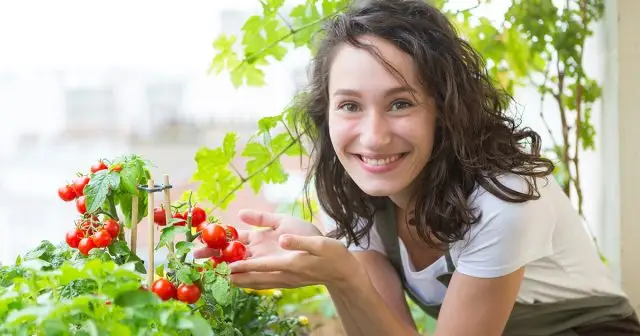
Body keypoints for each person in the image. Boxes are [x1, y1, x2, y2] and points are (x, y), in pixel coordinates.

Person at [195, 0, 640, 335]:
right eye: (349, 105)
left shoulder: (506, 197)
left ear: (443, 109)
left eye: (400, 103)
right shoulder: (358, 191)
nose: (373, 137)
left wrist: (342, 272)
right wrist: (324, 257)